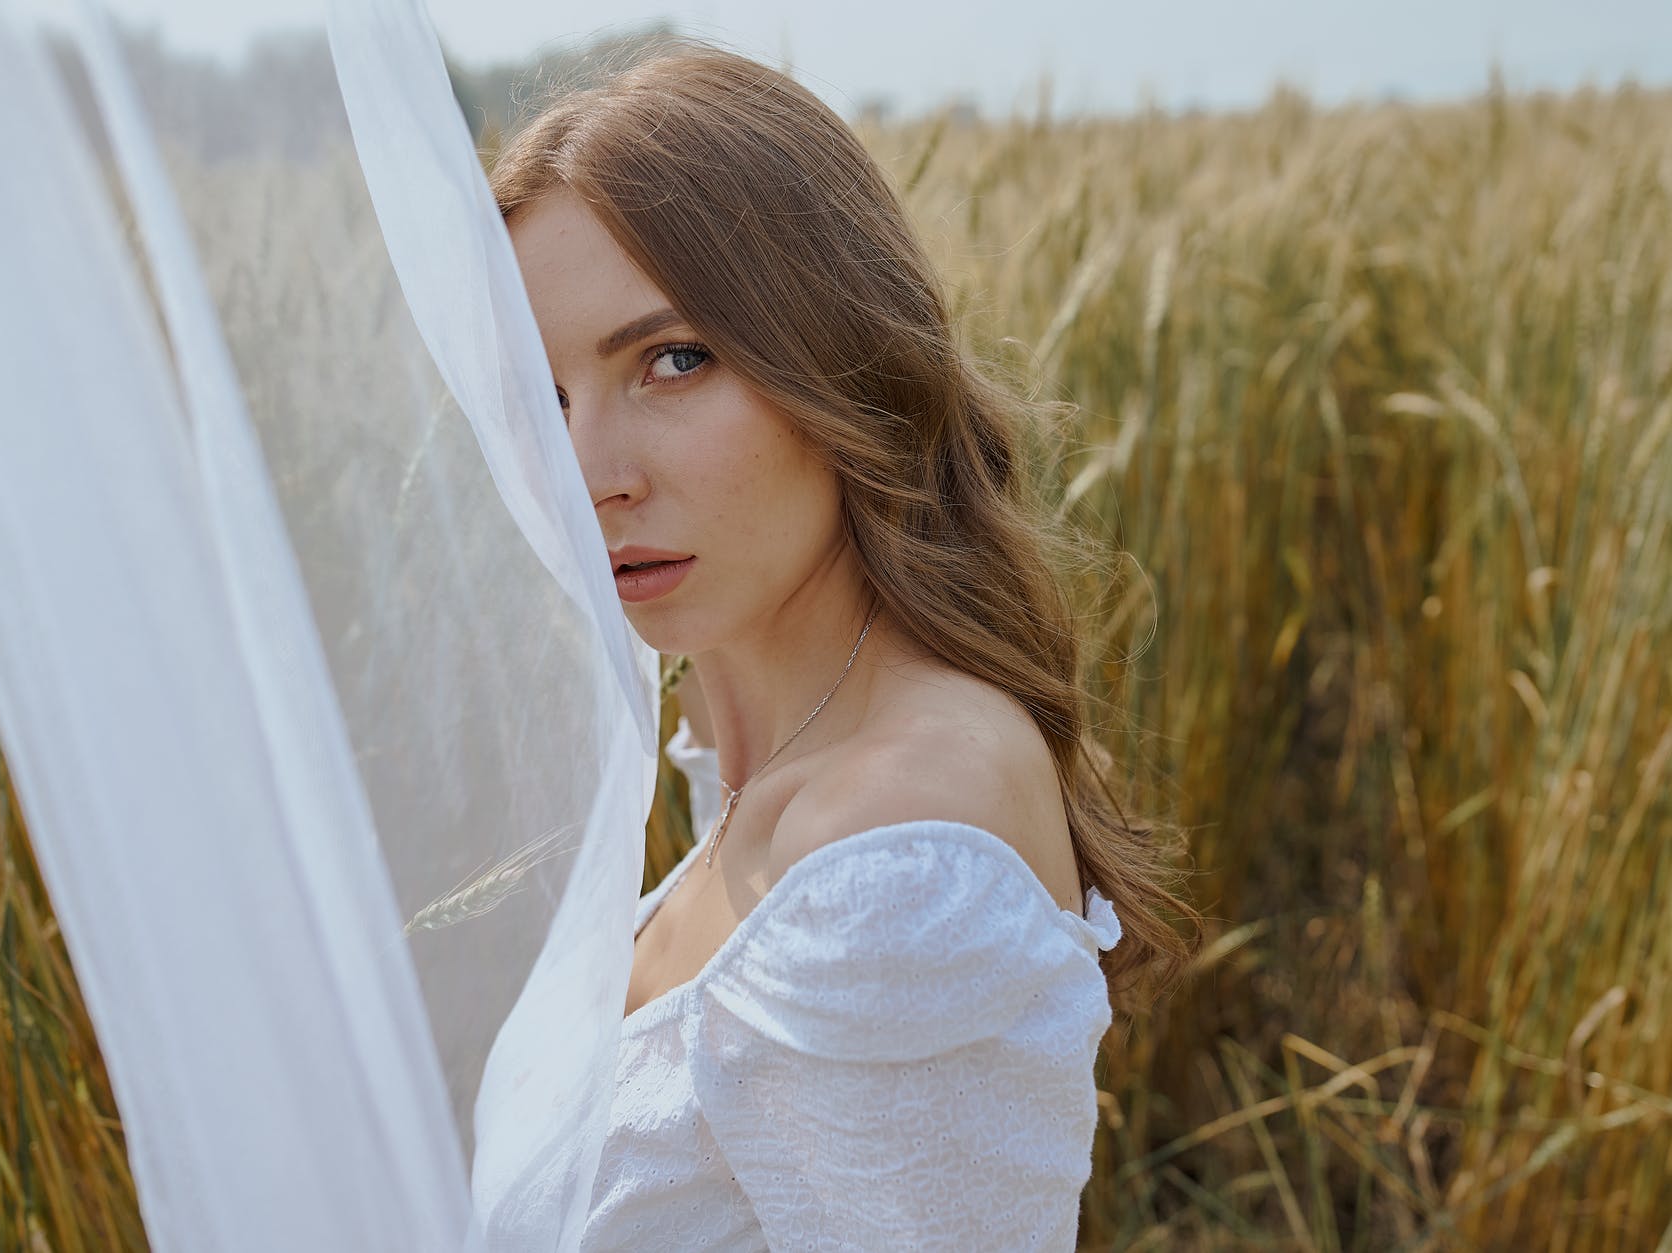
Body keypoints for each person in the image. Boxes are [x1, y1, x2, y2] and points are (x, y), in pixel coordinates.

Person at [494, 36, 1197, 1250]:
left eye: (671, 360)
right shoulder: (749, 757)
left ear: (835, 355)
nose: (589, 476)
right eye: (542, 398)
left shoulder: (895, 852)